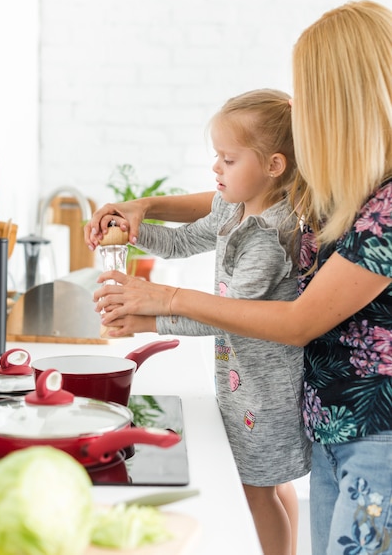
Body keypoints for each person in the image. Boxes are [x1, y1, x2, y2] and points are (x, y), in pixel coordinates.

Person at [86, 0, 392, 555]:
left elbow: (296, 322)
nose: (300, 109)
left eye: (310, 95)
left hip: (375, 435)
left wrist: (159, 302)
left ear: (345, 99)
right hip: (331, 421)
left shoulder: (386, 205)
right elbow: (227, 203)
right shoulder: (342, 179)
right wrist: (144, 209)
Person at [86, 88, 311, 555]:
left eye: (228, 160)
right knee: (270, 484)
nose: (216, 169)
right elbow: (181, 243)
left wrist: (149, 321)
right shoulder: (235, 208)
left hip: (266, 391)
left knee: (256, 493)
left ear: (273, 166)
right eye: (217, 157)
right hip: (244, 380)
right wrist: (132, 228)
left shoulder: (270, 237)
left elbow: (226, 318)